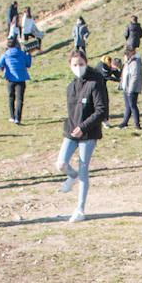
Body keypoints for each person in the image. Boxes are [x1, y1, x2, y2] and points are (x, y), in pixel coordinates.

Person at [57, 50, 108, 223]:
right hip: (72, 132)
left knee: (84, 169)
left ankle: (80, 209)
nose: (78, 67)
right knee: (61, 164)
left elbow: (102, 111)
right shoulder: (71, 86)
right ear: (70, 66)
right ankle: (72, 175)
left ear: (86, 63)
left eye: (81, 64)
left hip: (89, 133)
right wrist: (72, 129)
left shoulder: (96, 82)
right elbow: (72, 113)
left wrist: (83, 127)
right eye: (74, 65)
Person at [0, 37, 32, 124]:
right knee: (20, 99)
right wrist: (29, 55)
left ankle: (12, 116)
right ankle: (18, 118)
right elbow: (28, 64)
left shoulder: (5, 55)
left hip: (10, 78)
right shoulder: (22, 53)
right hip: (21, 78)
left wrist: (4, 68)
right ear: (17, 45)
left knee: (11, 97)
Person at [119, 46, 142, 130]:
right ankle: (125, 122)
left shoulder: (135, 62)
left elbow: (135, 76)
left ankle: (137, 124)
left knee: (133, 105)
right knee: (127, 106)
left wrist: (131, 89)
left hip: (132, 88)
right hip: (126, 87)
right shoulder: (127, 62)